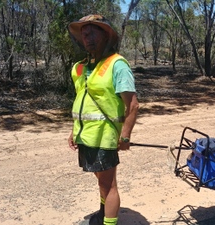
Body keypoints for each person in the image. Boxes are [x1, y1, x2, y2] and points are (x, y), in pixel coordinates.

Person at [67, 14, 139, 225]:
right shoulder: (79, 68)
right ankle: (102, 214)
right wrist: (74, 131)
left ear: (106, 35)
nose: (88, 38)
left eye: (93, 33)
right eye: (84, 34)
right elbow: (83, 101)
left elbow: (133, 105)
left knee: (109, 185)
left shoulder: (117, 64)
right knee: (101, 180)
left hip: (105, 135)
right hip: (86, 135)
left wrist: (125, 135)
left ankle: (108, 222)